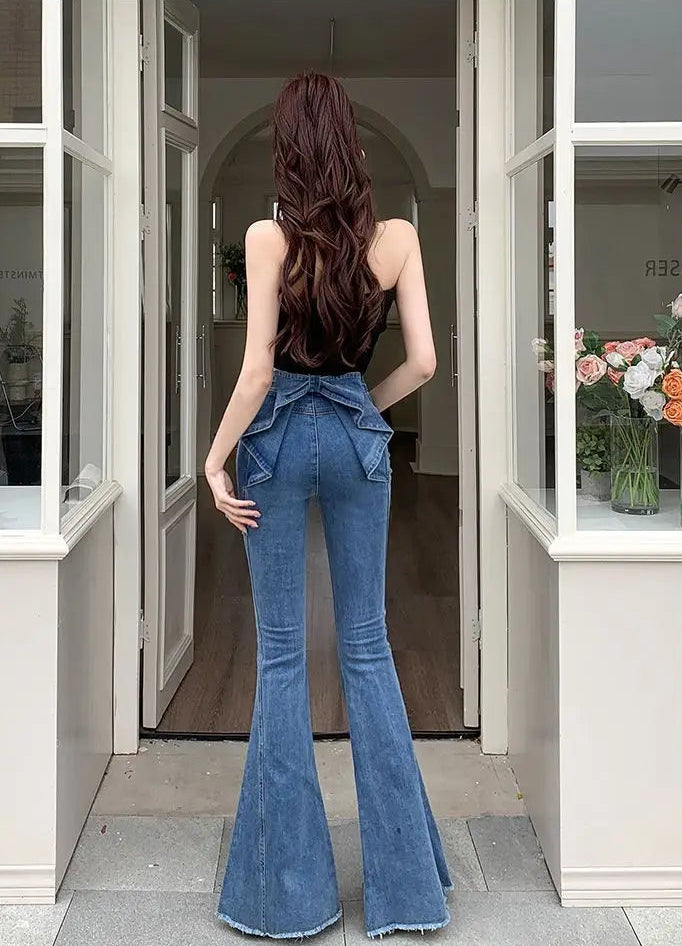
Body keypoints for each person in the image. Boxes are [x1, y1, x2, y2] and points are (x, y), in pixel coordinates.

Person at [204, 71, 453, 941]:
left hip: (276, 442)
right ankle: (408, 897)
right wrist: (362, 410)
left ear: (288, 148)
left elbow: (258, 371)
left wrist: (213, 455)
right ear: (351, 146)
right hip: (354, 438)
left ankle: (288, 898)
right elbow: (423, 363)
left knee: (278, 658)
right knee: (367, 652)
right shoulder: (395, 240)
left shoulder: (267, 239)